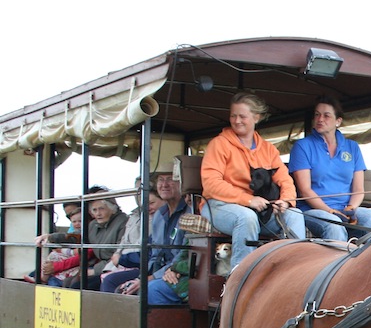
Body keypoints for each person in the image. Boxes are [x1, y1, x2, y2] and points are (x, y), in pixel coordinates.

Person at [201, 91, 303, 271]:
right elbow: (211, 183)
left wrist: (286, 200)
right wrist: (248, 200)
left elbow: (284, 179)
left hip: (260, 209)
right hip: (219, 206)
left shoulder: (268, 149)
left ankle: (295, 272)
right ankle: (240, 278)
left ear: (256, 117)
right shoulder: (219, 144)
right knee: (245, 217)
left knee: (294, 215)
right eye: (233, 116)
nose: (237, 120)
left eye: (242, 116)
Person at [288, 96, 371, 241]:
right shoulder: (302, 146)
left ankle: (368, 261)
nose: (320, 119)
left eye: (326, 115)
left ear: (338, 121)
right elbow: (305, 190)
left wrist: (351, 208)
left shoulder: (352, 147)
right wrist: (330, 211)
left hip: (345, 208)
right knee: (334, 225)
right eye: (317, 115)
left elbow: (359, 189)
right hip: (314, 210)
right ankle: (341, 263)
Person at [107, 166, 193, 295]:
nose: (164, 185)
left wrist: (150, 279)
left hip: (177, 272)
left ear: (182, 183)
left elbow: (184, 254)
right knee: (120, 287)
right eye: (160, 180)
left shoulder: (190, 212)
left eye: (170, 179)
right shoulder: (159, 215)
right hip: (159, 271)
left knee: (147, 291)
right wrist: (141, 278)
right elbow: (154, 254)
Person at [26, 202, 87, 285]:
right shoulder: (73, 228)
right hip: (69, 255)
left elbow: (75, 242)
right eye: (70, 217)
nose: (77, 223)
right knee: (43, 266)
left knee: (53, 278)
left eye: (80, 220)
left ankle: (43, 279)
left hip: (75, 258)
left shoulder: (87, 231)